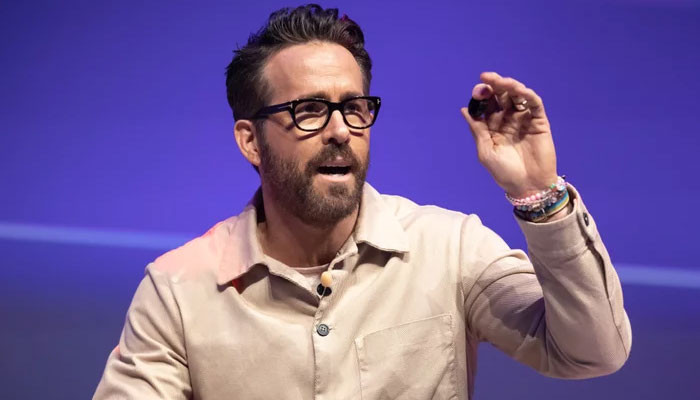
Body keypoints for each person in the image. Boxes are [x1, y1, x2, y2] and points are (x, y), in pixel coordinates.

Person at [93, 4, 631, 399]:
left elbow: (592, 352)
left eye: (354, 108)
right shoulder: (179, 291)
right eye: (308, 110)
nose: (340, 130)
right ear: (250, 141)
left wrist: (538, 193)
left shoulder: (449, 248)